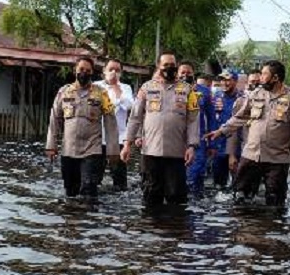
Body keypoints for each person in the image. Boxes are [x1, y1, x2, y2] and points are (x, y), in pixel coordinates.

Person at [207, 60, 290, 207]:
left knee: (275, 201)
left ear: (275, 78)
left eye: (264, 74)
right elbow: (240, 117)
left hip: (277, 159)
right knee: (240, 196)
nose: (261, 77)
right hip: (251, 155)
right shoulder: (256, 94)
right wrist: (221, 131)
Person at [121, 52, 200, 206]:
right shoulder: (146, 88)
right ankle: (151, 222)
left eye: (173, 65)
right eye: (166, 65)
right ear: (158, 66)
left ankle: (174, 221)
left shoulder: (188, 90)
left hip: (177, 152)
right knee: (151, 194)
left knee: (176, 197)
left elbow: (193, 120)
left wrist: (191, 146)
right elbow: (135, 117)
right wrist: (127, 144)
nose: (170, 68)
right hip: (151, 151)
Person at [46, 57, 118, 199]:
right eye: (81, 69)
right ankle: (72, 213)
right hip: (69, 150)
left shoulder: (102, 93)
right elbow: (54, 119)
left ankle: (88, 212)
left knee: (89, 188)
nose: (84, 73)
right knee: (70, 191)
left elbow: (111, 122)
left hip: (92, 149)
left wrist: (113, 151)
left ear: (92, 72)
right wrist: (51, 145)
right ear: (75, 70)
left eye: (88, 70)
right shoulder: (64, 92)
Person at [94, 58, 134, 191]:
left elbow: (129, 106)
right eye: (110, 69)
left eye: (117, 70)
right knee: (95, 177)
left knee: (120, 179)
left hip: (118, 139)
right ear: (104, 71)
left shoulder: (125, 88)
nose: (114, 72)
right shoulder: (95, 86)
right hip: (97, 138)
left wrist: (116, 86)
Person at [179, 61, 216, 197]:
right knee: (178, 175)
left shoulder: (204, 92)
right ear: (177, 73)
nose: (185, 75)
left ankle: (197, 203)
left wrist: (212, 144)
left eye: (188, 72)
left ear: (194, 73)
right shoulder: (172, 90)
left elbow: (211, 118)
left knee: (195, 174)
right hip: (177, 139)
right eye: (182, 72)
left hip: (198, 140)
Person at [210, 70, 245, 189]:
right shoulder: (216, 96)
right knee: (218, 185)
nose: (224, 83)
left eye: (228, 80)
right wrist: (211, 145)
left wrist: (233, 152)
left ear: (235, 81)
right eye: (222, 80)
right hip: (219, 145)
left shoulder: (243, 98)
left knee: (238, 184)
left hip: (237, 146)